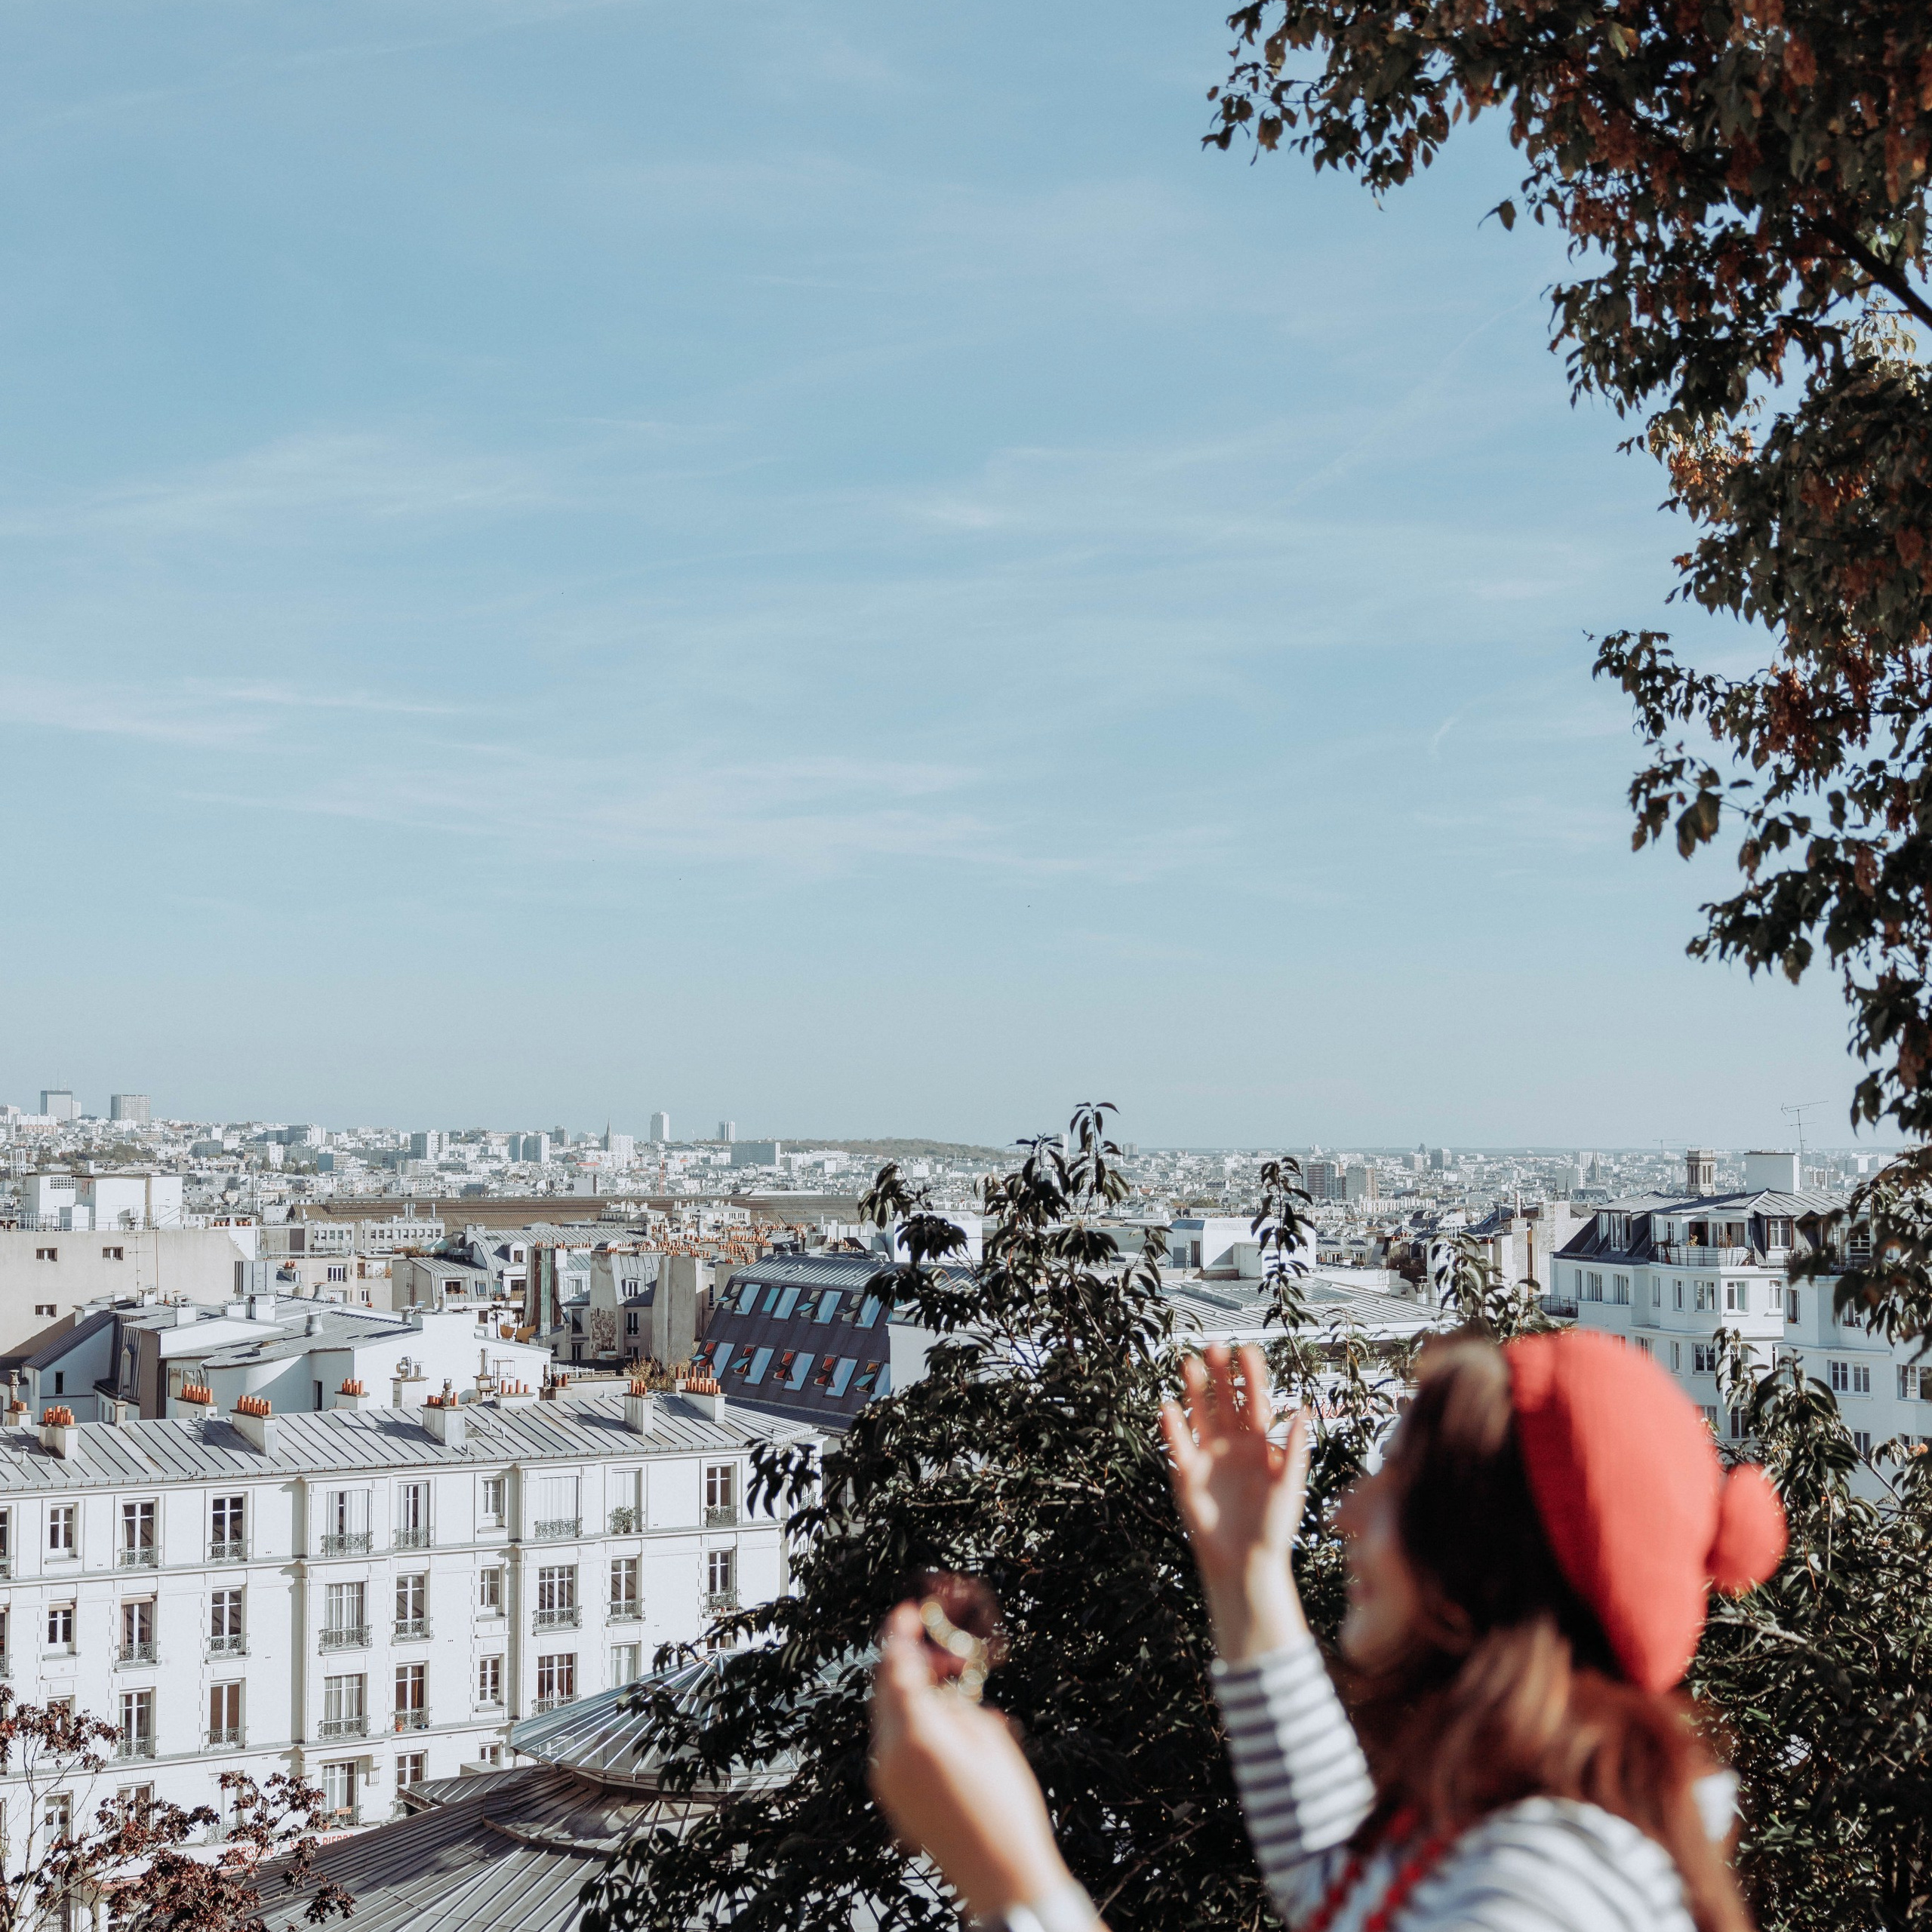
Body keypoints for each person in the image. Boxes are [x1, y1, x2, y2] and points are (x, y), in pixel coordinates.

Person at [869, 1328, 1787, 1932]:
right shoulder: (1551, 1837)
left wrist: (1018, 1885)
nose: (1345, 1512)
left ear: (1481, 1553)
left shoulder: (1540, 1894)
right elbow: (1338, 1880)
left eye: (1394, 1483)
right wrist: (1244, 1573)